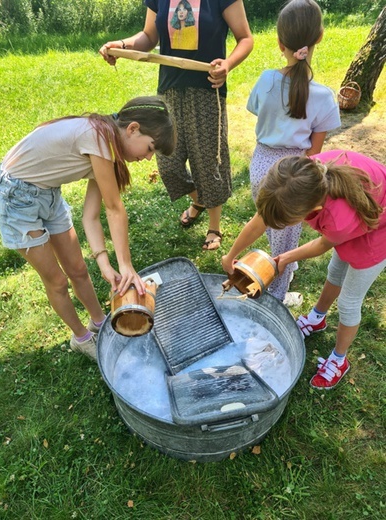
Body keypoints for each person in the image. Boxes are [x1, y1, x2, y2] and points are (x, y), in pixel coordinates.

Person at [0, 96, 176, 361]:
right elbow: (114, 209)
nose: (148, 158)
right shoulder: (98, 138)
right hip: (16, 197)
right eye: (150, 148)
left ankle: (99, 322)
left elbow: (90, 217)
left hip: (46, 193)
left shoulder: (106, 146)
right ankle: (80, 338)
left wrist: (104, 263)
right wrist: (125, 265)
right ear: (133, 128)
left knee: (79, 270)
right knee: (57, 281)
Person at [223, 150, 386, 389]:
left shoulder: (339, 221)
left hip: (378, 230)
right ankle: (317, 318)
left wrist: (286, 257)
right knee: (335, 271)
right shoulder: (300, 177)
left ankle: (339, 360)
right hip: (355, 213)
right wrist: (231, 255)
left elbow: (323, 244)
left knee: (349, 303)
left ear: (314, 211)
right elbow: (261, 219)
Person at [100, 0, 253, 251]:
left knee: (208, 162)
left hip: (206, 90)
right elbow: (149, 36)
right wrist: (123, 45)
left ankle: (214, 226)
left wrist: (227, 64)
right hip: (169, 91)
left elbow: (245, 38)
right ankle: (198, 200)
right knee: (168, 162)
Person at [246, 0, 340, 306]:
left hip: (262, 167)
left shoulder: (265, 81)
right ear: (320, 38)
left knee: (273, 224)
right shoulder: (324, 97)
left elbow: (256, 112)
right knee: (284, 235)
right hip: (294, 175)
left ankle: (284, 262)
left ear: (279, 42)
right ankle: (277, 295)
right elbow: (314, 151)